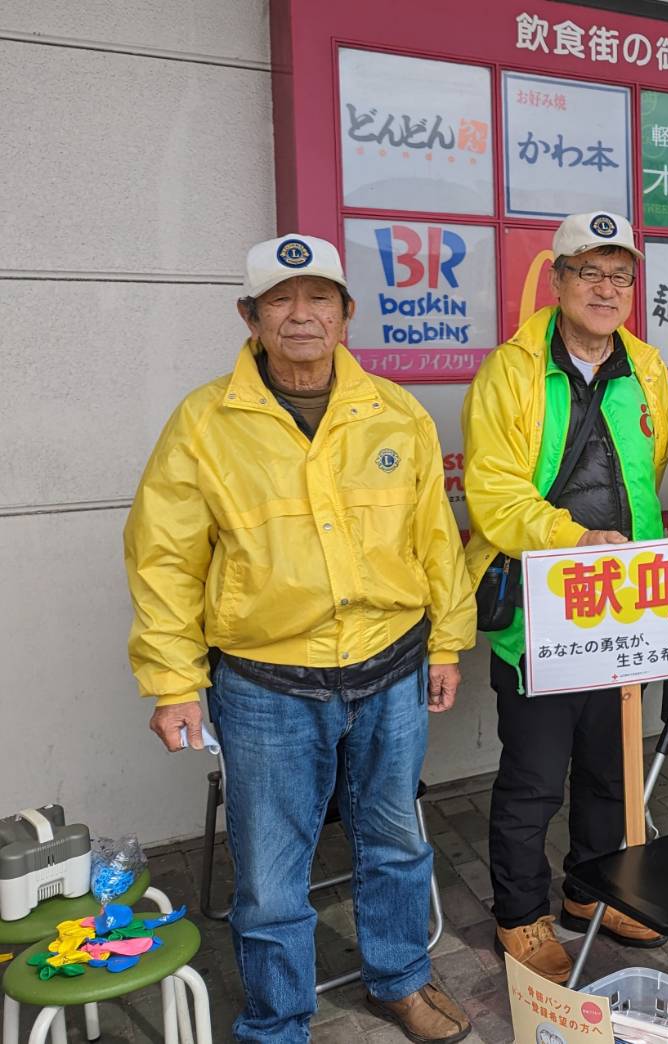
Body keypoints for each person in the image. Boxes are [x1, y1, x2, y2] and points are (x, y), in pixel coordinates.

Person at [125, 234, 475, 1044]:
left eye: (319, 297)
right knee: (272, 875)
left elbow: (433, 541)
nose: (302, 315)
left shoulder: (396, 412)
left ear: (347, 313)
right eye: (280, 299)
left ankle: (399, 980)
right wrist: (174, 680)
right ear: (250, 317)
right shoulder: (206, 423)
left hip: (392, 668)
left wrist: (448, 644)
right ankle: (278, 1020)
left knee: (391, 837)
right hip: (267, 685)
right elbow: (164, 558)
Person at [462, 211, 668, 983]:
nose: (607, 289)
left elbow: (647, 477)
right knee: (533, 778)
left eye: (621, 275)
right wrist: (573, 539)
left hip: (622, 607)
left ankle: (593, 890)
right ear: (557, 281)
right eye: (590, 272)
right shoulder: (509, 372)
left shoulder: (647, 366)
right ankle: (520, 916)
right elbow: (490, 489)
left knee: (612, 764)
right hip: (542, 607)